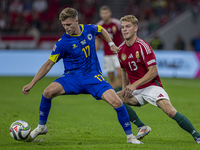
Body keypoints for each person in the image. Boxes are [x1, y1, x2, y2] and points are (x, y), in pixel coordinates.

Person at [22, 7, 143, 144]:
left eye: (68, 24)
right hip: (72, 77)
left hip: (93, 77)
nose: (66, 28)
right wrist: (32, 83)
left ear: (76, 21)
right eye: (64, 25)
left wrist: (110, 44)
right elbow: (49, 64)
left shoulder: (89, 29)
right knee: (47, 92)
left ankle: (130, 137)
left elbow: (101, 30)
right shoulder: (63, 42)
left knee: (116, 102)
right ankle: (41, 127)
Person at [116, 15, 200, 144]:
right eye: (123, 27)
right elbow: (124, 70)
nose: (124, 30)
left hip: (151, 86)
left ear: (136, 28)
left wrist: (134, 85)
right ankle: (141, 126)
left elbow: (153, 71)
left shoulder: (143, 46)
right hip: (136, 90)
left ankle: (197, 136)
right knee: (116, 98)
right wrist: (124, 88)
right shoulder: (121, 49)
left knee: (169, 111)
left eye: (128, 26)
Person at [96, 5, 122, 92]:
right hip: (107, 54)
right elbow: (98, 41)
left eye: (106, 13)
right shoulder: (99, 26)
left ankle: (121, 90)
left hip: (118, 52)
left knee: (119, 73)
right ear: (100, 14)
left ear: (110, 13)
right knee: (110, 75)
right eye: (103, 13)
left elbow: (123, 36)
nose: (104, 15)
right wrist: (94, 52)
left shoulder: (117, 23)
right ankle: (115, 91)